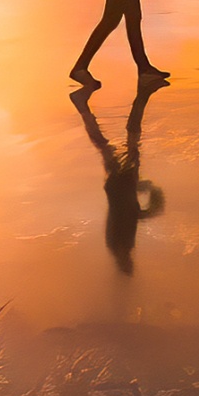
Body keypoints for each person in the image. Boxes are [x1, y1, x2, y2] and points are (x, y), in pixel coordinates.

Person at [70, 75, 165, 274]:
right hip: (120, 188)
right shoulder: (120, 247)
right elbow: (132, 214)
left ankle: (142, 95)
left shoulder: (118, 245)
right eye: (130, 264)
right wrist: (150, 196)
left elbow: (129, 214)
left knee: (128, 144)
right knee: (112, 146)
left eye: (127, 265)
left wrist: (151, 196)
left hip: (121, 187)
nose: (130, 262)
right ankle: (140, 97)